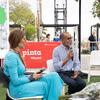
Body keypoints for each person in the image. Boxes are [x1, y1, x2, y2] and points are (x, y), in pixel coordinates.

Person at [3, 29, 64, 100]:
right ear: (17, 40)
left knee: (54, 76)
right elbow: (15, 81)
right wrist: (31, 78)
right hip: (17, 89)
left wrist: (32, 75)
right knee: (46, 85)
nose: (26, 41)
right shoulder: (11, 56)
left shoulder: (16, 54)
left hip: (22, 83)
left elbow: (20, 76)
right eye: (24, 38)